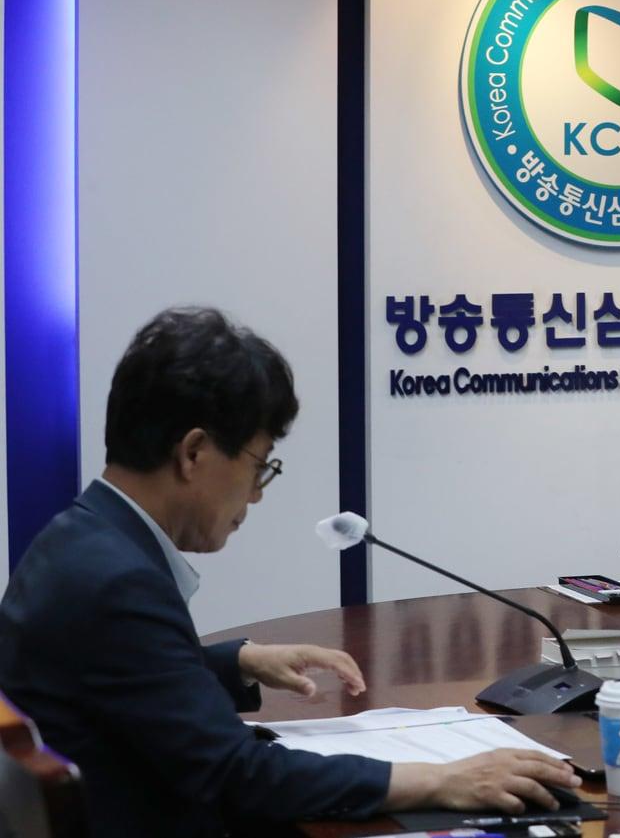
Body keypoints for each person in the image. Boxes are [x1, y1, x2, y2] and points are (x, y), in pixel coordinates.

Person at [0, 308, 579, 837]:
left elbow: (126, 679)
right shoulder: (120, 583)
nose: (256, 494)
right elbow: (237, 773)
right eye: (259, 466)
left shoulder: (78, 538)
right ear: (194, 453)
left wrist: (237, 661)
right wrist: (438, 779)